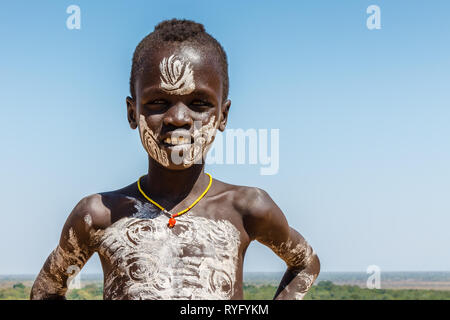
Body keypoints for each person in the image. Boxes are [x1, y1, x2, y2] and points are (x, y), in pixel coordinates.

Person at [30, 18, 320, 300]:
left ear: (223, 116)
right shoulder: (98, 214)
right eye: (158, 102)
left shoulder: (247, 208)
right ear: (133, 113)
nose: (178, 118)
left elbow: (306, 263)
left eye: (199, 104)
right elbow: (47, 291)